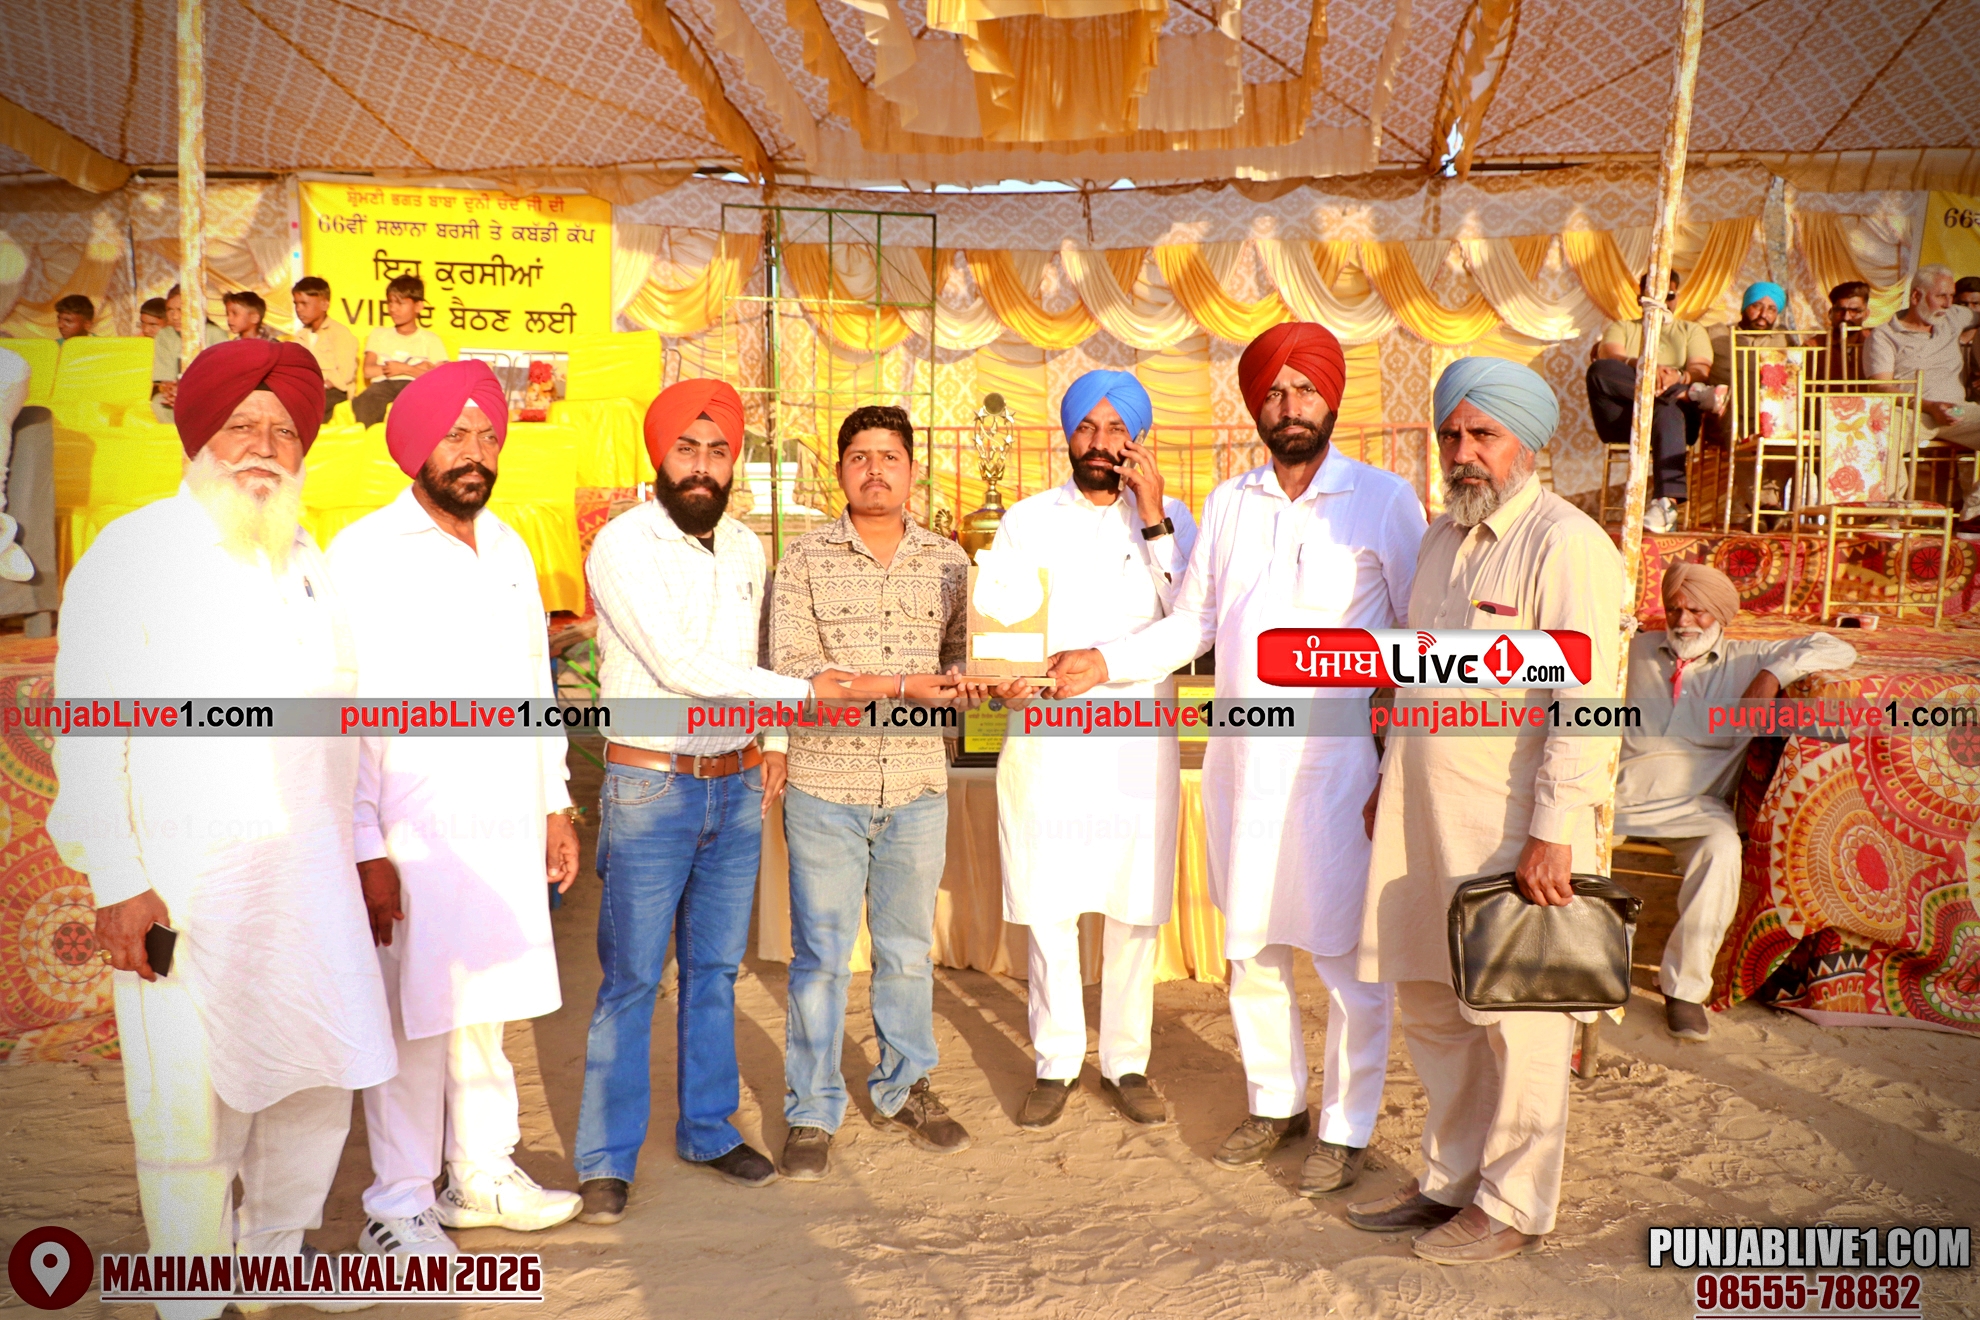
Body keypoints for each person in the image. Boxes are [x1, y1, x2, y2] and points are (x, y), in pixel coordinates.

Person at [47, 339, 395, 1317]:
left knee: (315, 1079)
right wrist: (118, 880)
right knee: (188, 1103)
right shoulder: (134, 555)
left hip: (309, 880)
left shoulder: (310, 564)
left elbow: (350, 729)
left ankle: (274, 1257)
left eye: (283, 431)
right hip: (185, 888)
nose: (264, 447)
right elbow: (89, 732)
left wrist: (361, 852)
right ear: (199, 435)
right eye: (242, 425)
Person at [1049, 323, 1425, 1198]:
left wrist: (1398, 765)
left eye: (1304, 390)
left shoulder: (1382, 499)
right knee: (1251, 945)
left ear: (1331, 400)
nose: (1289, 406)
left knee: (1348, 960)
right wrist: (1106, 661)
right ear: (1256, 404)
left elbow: (1417, 638)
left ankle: (1346, 1128)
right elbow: (1195, 622)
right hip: (1243, 766)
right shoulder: (1230, 502)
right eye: (1273, 391)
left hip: (1340, 768)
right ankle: (1275, 1101)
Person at [1350, 357, 1625, 1264]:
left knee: (1521, 1022)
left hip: (1514, 830)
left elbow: (1587, 699)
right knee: (1433, 1003)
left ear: (1527, 444)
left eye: (1483, 435)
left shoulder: (1565, 544)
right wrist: (1387, 779)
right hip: (1423, 818)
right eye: (1452, 435)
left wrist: (1554, 831)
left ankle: (1512, 1205)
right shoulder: (1440, 538)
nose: (1463, 453)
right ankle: (1452, 1179)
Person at [329, 360, 583, 1259]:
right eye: (455, 436)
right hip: (413, 826)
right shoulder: (363, 552)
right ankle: (398, 1204)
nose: (475, 453)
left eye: (487, 436)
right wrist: (364, 842)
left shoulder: (508, 547)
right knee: (412, 1019)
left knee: (485, 1006)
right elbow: (346, 710)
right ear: (415, 446)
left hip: (502, 822)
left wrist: (554, 804)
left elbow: (535, 688)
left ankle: (481, 1174)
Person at [574, 380, 845, 1221]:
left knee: (715, 972)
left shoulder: (747, 548)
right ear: (659, 455)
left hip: (734, 786)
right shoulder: (622, 543)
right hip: (651, 785)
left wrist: (775, 738)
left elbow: (754, 655)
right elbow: (678, 664)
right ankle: (605, 1158)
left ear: (734, 463)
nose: (701, 466)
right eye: (686, 449)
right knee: (631, 978)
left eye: (717, 451)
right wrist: (805, 696)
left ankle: (707, 1128)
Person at [977, 371, 1197, 1131]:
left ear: (1139, 439)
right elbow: (1000, 621)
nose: (1101, 444)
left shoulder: (1174, 519)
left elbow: (1191, 621)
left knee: (1134, 909)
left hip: (1136, 742)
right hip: (1049, 740)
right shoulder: (1027, 520)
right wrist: (1004, 676)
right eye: (1087, 428)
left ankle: (1127, 1061)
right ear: (1067, 436)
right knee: (1051, 903)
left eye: (1116, 430)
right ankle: (1057, 1060)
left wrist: (1154, 516)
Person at [769, 404, 970, 1181]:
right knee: (821, 957)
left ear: (913, 469)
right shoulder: (804, 560)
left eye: (890, 456)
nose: (875, 470)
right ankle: (811, 1110)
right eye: (860, 456)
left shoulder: (950, 561)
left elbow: (964, 661)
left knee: (907, 952)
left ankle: (904, 1085)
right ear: (840, 471)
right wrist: (903, 685)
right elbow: (795, 670)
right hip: (826, 785)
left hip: (917, 784)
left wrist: (988, 681)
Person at [1616, 562, 1855, 1041]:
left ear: (1722, 614)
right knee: (1563, 844)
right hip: (1615, 799)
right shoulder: (1635, 649)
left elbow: (1838, 647)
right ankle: (1580, 970)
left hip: (1695, 805)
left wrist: (1770, 675)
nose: (1683, 621)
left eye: (1698, 611)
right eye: (1674, 609)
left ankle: (1685, 990)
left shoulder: (1747, 657)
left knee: (1722, 849)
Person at [1586, 271, 1716, 532]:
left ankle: (1666, 505)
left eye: (1669, 295)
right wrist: (1646, 368)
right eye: (1654, 295)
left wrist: (1680, 376)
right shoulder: (1623, 327)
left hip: (1675, 422)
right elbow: (1610, 354)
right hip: (1625, 419)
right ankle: (1686, 392)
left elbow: (1701, 371)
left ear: (1676, 297)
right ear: (1640, 298)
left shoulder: (1691, 330)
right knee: (1600, 370)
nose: (1663, 301)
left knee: (1666, 411)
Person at [1867, 264, 1980, 524]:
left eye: (1951, 296)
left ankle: (1975, 512)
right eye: (1941, 296)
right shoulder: (1884, 335)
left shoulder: (1953, 317)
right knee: (1879, 431)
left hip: (1956, 411)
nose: (1948, 304)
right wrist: (1929, 406)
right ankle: (1891, 514)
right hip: (1912, 412)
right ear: (1917, 296)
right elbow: (1880, 387)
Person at [356, 274, 448, 427]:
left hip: (415, 387)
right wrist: (417, 369)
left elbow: (441, 379)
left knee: (421, 405)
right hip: (382, 386)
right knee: (366, 401)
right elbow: (368, 371)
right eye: (390, 302)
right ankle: (371, 440)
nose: (393, 308)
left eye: (400, 303)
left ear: (418, 306)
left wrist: (403, 369)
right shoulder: (379, 334)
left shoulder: (431, 340)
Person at [149, 284, 227, 422]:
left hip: (210, 396)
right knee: (158, 402)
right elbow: (165, 380)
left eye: (181, 310)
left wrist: (191, 394)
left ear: (195, 309)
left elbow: (224, 380)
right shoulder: (165, 336)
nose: (175, 316)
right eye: (170, 310)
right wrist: (171, 392)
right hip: (178, 399)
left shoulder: (216, 334)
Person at [292, 276, 360, 422]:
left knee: (307, 413)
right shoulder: (300, 336)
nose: (299, 309)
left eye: (304, 303)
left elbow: (346, 374)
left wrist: (320, 385)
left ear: (324, 304)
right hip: (307, 391)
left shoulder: (340, 333)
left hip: (334, 391)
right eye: (296, 304)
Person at [1809, 280, 1871, 383]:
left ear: (1866, 314)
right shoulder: (1813, 347)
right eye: (1840, 310)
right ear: (1830, 313)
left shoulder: (1876, 343)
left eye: (1854, 311)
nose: (1846, 317)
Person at [1955, 275, 1980, 402]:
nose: (1969, 309)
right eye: (1963, 304)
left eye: (1976, 303)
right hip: (1950, 405)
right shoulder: (1941, 334)